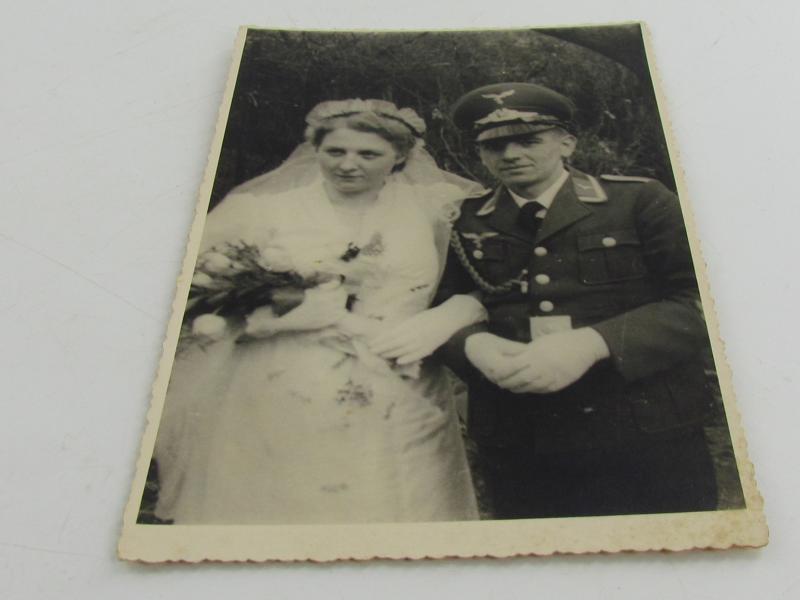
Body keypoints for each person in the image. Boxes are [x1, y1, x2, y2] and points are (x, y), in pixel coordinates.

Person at [152, 99, 485, 524]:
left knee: (397, 496)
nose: (349, 165)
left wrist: (455, 312)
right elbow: (191, 283)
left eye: (368, 154)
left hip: (401, 367)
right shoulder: (264, 211)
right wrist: (276, 314)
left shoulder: (438, 206)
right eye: (335, 151)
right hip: (285, 373)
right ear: (315, 149)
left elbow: (496, 270)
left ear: (400, 156)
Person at [435, 82, 720, 519]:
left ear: (567, 142)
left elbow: (702, 303)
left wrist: (595, 342)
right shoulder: (461, 219)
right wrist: (475, 347)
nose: (510, 154)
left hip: (643, 429)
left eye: (528, 140)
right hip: (521, 436)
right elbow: (439, 308)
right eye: (493, 145)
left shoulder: (640, 201)